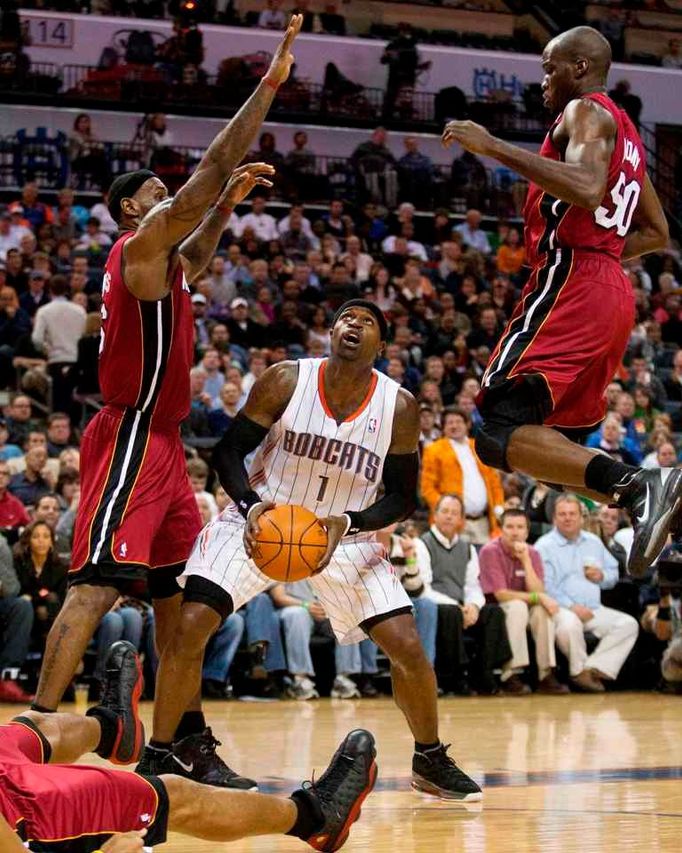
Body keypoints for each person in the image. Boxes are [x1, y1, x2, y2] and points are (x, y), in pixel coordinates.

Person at [31, 17, 304, 792]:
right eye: (159, 194)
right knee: (91, 586)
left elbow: (202, 243)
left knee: (179, 602)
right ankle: (35, 731)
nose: (169, 199)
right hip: (125, 438)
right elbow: (215, 163)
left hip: (165, 445)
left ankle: (176, 739)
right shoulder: (137, 248)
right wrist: (269, 85)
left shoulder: (168, 262)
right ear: (133, 213)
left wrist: (220, 209)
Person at [144, 299, 482, 802]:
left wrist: (350, 522)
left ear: (383, 346)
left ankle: (429, 758)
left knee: (407, 646)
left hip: (343, 535)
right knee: (191, 623)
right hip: (263, 520)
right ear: (330, 330)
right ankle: (162, 753)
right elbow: (228, 452)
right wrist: (252, 506)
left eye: (368, 322)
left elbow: (402, 497)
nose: (355, 325)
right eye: (347, 317)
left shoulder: (399, 407)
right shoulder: (286, 380)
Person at [441, 26, 680, 579]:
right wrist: (603, 260)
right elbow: (659, 232)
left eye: (550, 68)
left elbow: (589, 187)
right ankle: (664, 518)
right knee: (551, 450)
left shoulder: (586, 114)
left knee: (498, 427)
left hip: (573, 277)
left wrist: (493, 146)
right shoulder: (628, 137)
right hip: (609, 288)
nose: (542, 79)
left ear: (579, 68)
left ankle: (642, 484)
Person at [1, 641, 377, 853]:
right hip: (23, 811)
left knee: (30, 729)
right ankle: (315, 818)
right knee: (174, 794)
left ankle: (111, 729)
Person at [535, 494, 639, 692]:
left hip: (593, 609)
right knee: (569, 624)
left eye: (572, 514)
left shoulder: (593, 541)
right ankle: (578, 673)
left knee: (628, 624)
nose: (568, 518)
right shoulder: (543, 546)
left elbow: (613, 572)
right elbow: (544, 586)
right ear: (554, 518)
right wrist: (572, 606)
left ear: (581, 517)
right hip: (559, 609)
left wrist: (601, 576)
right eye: (562, 514)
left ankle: (593, 668)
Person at [415, 494, 511, 695]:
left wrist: (473, 607)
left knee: (494, 613)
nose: (449, 517)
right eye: (445, 512)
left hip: (461, 606)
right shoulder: (422, 544)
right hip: (434, 605)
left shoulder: (467, 547)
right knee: (450, 613)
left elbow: (472, 585)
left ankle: (483, 674)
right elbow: (424, 588)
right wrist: (458, 608)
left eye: (454, 513)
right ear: (435, 515)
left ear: (461, 520)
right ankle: (452, 679)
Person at [479, 508, 569, 694]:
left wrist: (526, 561)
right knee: (519, 607)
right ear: (501, 530)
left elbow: (538, 591)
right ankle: (510, 674)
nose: (515, 532)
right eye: (509, 527)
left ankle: (546, 674)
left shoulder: (533, 553)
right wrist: (538, 597)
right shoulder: (490, 551)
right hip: (496, 610)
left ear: (527, 532)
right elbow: (501, 594)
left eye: (520, 527)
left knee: (541, 611)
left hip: (525, 606)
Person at [421, 407, 504, 544]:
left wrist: (499, 507)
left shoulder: (479, 447)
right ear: (443, 427)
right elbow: (427, 488)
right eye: (450, 422)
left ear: (467, 424)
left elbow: (494, 482)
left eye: (458, 422)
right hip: (452, 524)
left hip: (485, 523)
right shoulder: (433, 450)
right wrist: (447, 511)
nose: (454, 426)